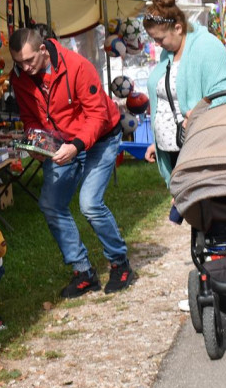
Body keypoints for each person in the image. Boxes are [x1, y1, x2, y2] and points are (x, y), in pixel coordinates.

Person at [8, 26, 133, 297]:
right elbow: (30, 117)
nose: (25, 68)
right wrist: (34, 140)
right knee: (51, 205)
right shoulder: (19, 77)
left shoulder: (77, 66)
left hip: (100, 138)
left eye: (29, 61)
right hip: (62, 143)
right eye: (19, 63)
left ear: (43, 50)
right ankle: (83, 271)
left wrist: (76, 147)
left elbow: (98, 116)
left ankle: (120, 263)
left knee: (89, 204)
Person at [141, 0, 226, 191]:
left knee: (204, 210)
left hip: (200, 150)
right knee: (193, 212)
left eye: (160, 38)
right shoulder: (169, 52)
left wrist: (198, 113)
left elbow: (224, 95)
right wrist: (157, 144)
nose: (157, 44)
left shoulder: (207, 47)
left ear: (178, 27)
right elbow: (167, 100)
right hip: (175, 150)